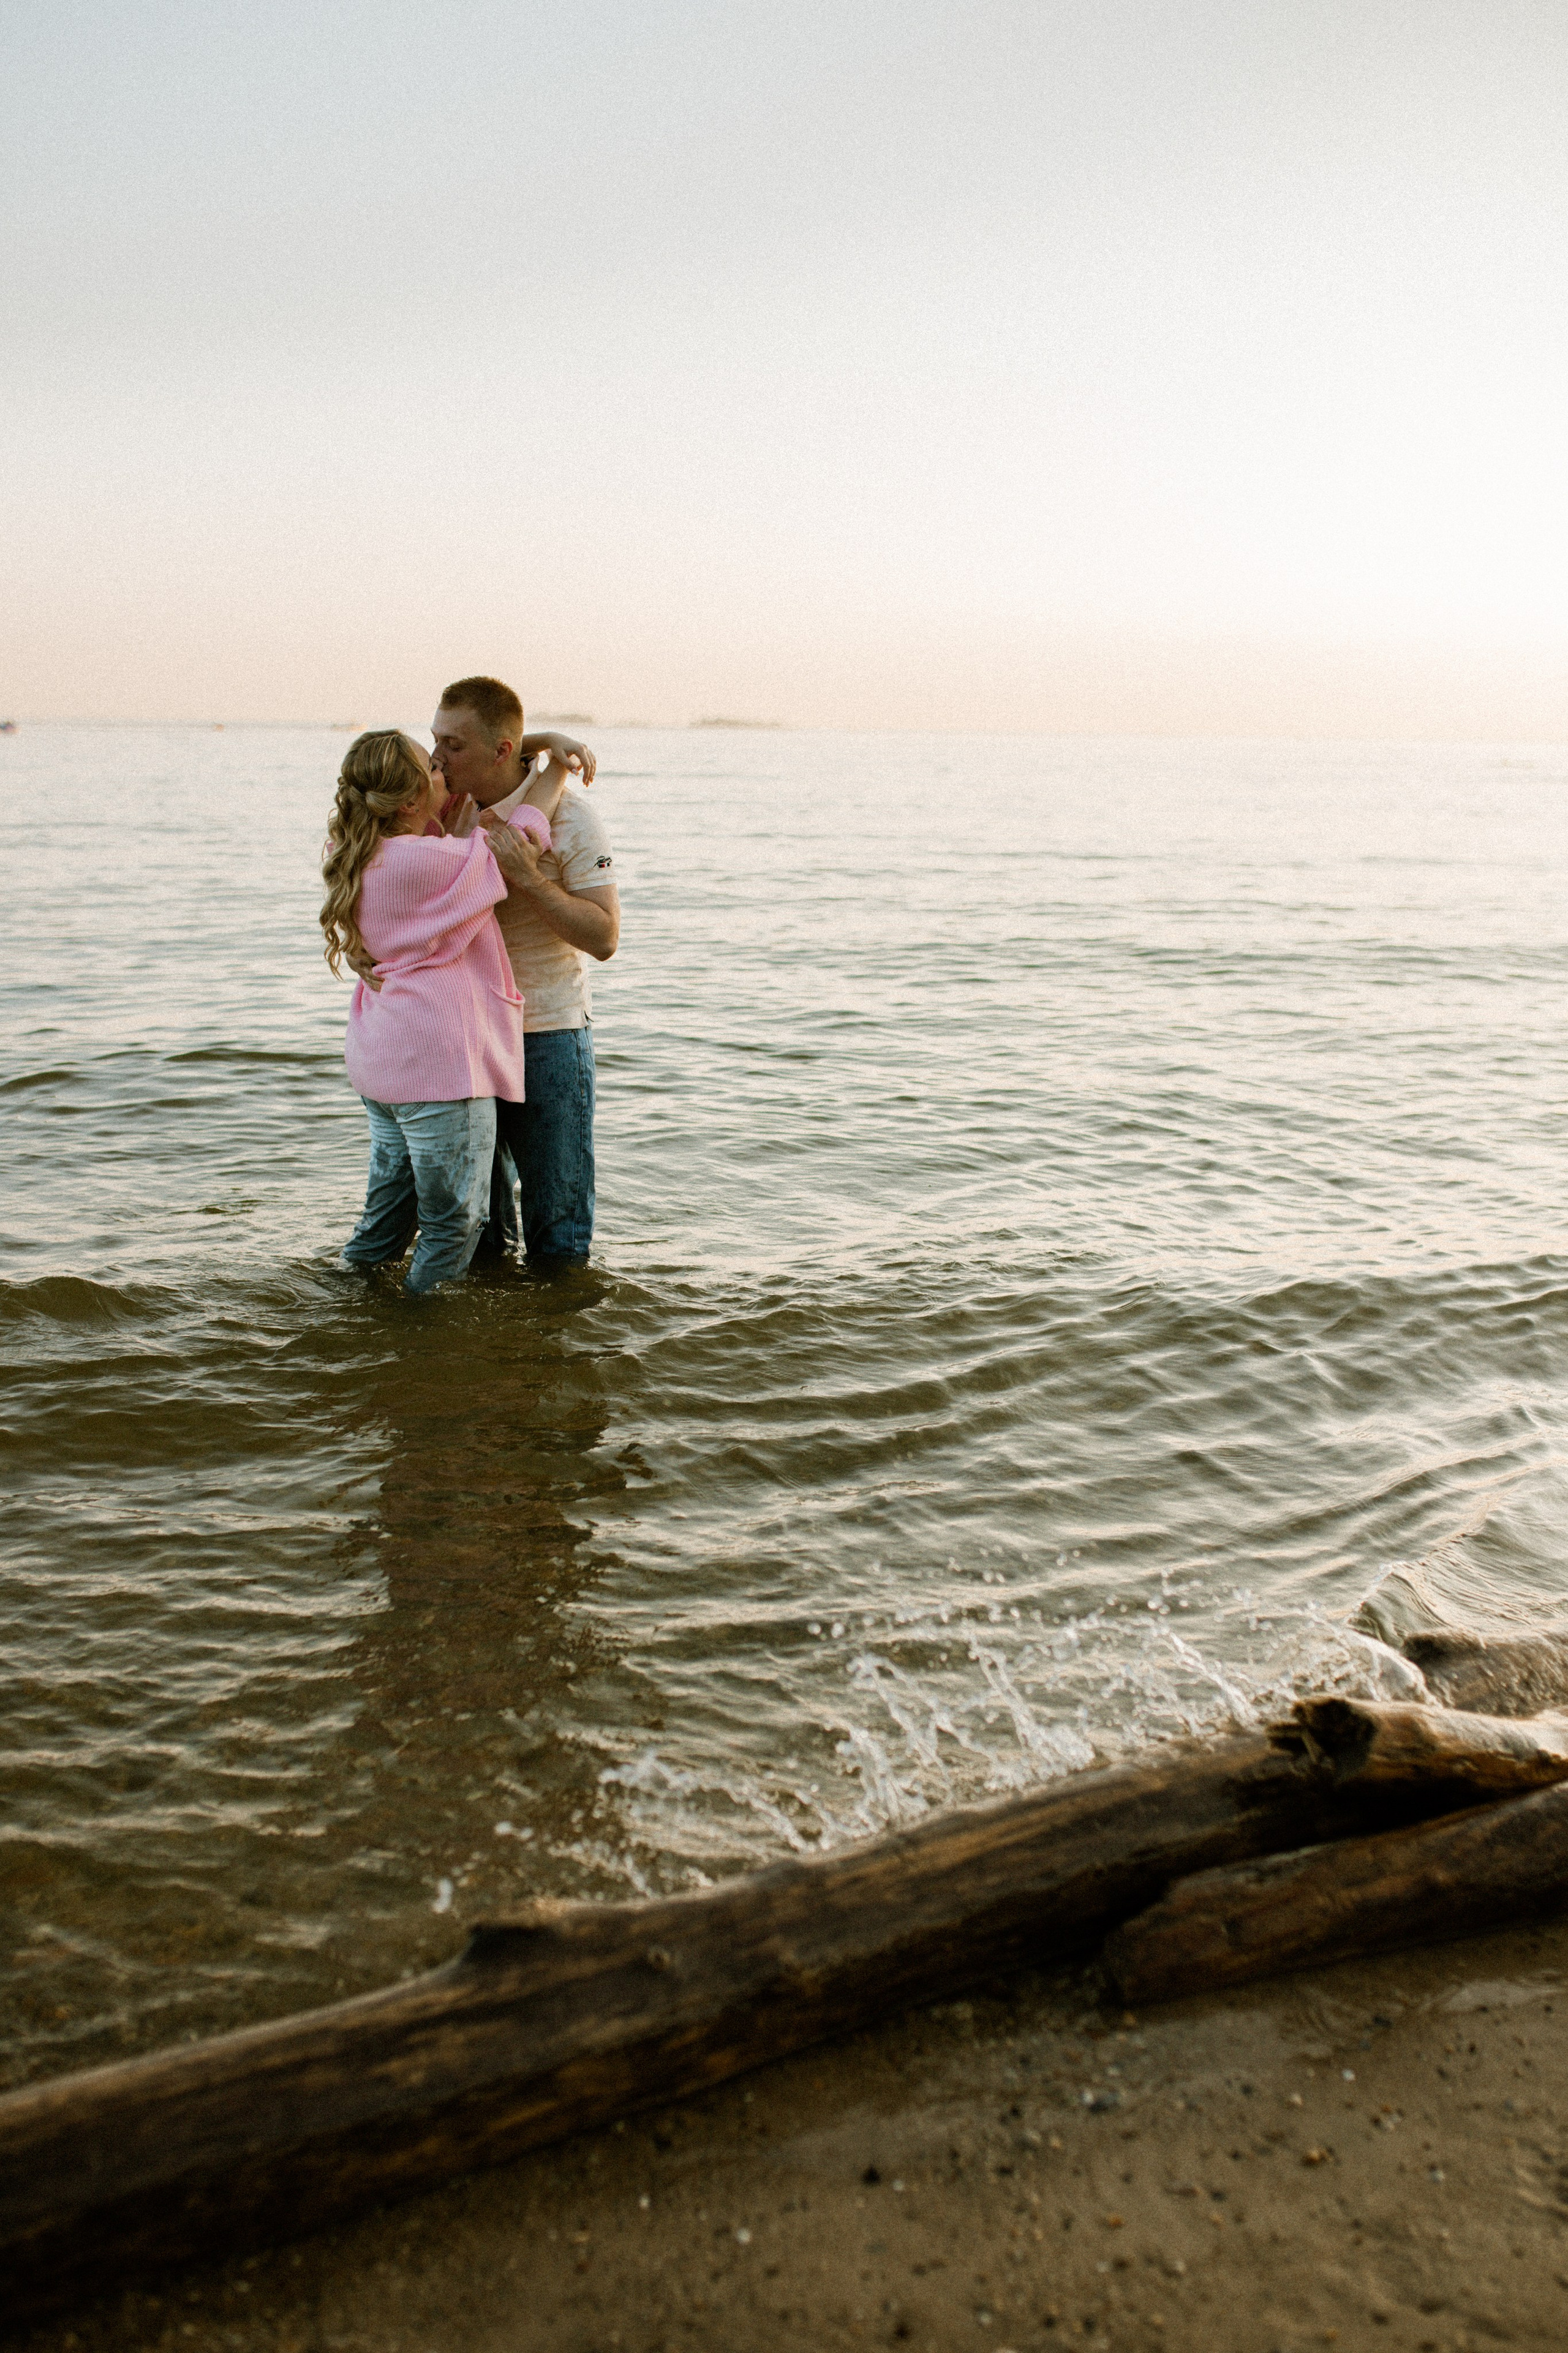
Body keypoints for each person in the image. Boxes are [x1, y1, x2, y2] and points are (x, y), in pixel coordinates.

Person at [320, 728, 550, 1293]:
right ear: (406, 801)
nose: (444, 772)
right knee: (453, 1225)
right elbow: (523, 839)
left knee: (387, 1220)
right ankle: (422, 1342)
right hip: (440, 1066)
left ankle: (346, 1312)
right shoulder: (428, 861)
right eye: (434, 769)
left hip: (383, 1060)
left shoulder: (349, 853)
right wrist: (554, 769)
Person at [430, 677, 619, 1268]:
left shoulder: (571, 820)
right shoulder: (436, 809)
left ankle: (555, 1353)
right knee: (477, 1236)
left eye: (453, 745)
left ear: (501, 751)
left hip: (549, 1034)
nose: (436, 756)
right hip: (464, 1039)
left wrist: (531, 880)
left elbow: (604, 937)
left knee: (558, 1236)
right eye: (434, 740)